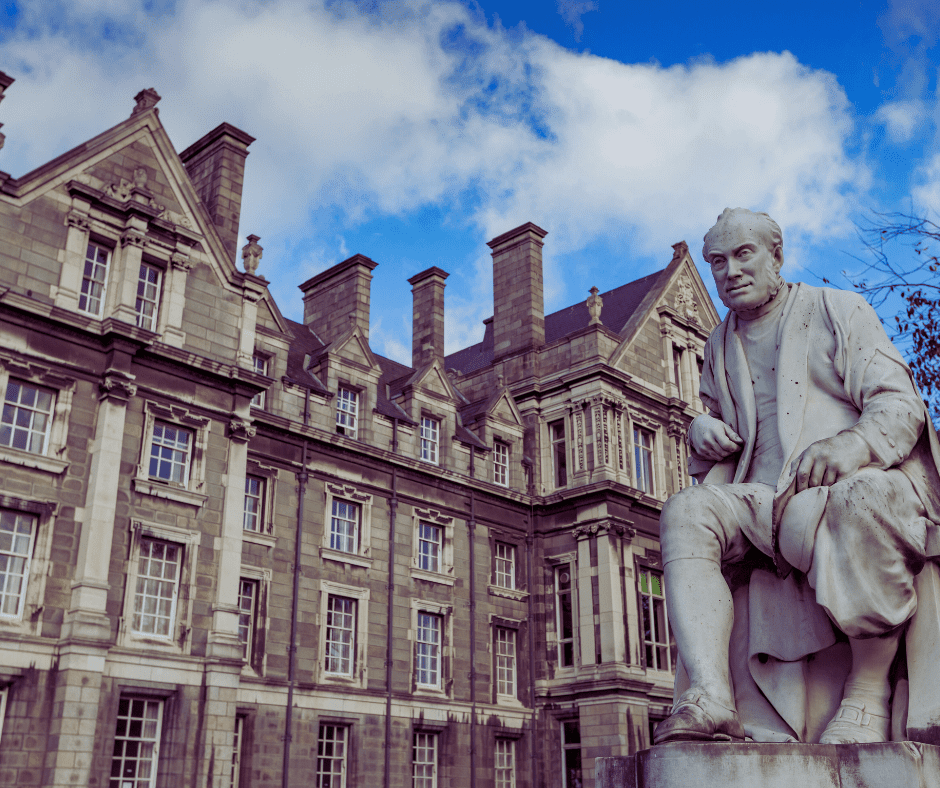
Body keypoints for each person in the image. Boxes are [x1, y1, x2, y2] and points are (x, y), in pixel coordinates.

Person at [654, 208, 940, 745]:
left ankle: (867, 692)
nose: (730, 271)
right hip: (760, 499)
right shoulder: (716, 345)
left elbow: (900, 404)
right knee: (685, 512)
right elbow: (719, 423)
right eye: (718, 261)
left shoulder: (838, 309)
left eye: (744, 255)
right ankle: (712, 698)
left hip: (843, 486)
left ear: (776, 256)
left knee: (861, 502)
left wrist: (853, 444)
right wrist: (701, 430)